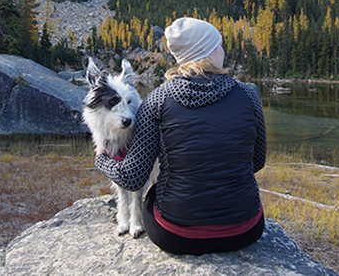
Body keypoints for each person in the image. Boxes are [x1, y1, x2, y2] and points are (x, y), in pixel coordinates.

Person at [95, 17, 267, 254]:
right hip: (245, 229)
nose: (223, 50)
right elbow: (257, 162)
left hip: (177, 235)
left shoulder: (156, 100)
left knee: (155, 196)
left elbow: (132, 178)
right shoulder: (249, 94)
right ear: (205, 52)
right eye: (218, 45)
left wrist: (102, 158)